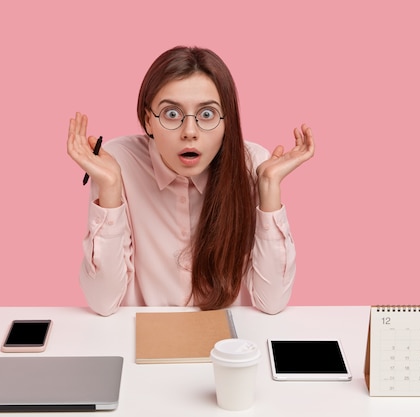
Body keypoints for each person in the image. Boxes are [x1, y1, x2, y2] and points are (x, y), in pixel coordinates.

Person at [67, 46, 314, 316]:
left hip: (227, 348)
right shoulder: (117, 165)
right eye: (172, 114)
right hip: (143, 341)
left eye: (207, 114)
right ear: (148, 121)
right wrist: (111, 189)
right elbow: (103, 302)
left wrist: (268, 189)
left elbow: (273, 301)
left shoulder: (253, 164)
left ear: (226, 122)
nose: (190, 132)